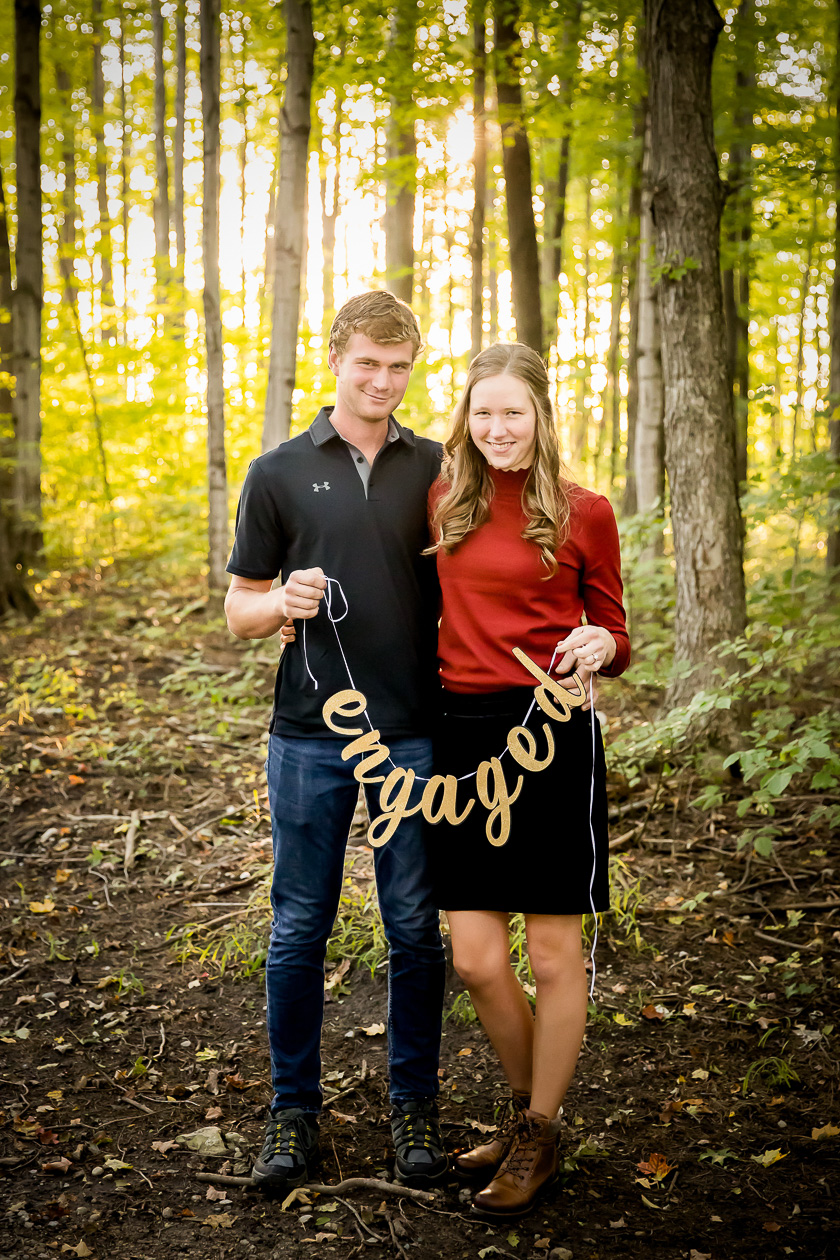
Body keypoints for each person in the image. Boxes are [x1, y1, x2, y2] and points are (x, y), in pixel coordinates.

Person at [224, 291, 448, 1193]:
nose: (383, 381)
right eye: (368, 364)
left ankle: (413, 1106)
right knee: (298, 928)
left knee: (413, 930)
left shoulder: (439, 466)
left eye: (399, 367)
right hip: (309, 737)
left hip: (414, 736)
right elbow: (239, 610)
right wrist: (281, 603)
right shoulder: (276, 472)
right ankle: (292, 1113)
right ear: (335, 360)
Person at [425, 342, 631, 1219]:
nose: (497, 428)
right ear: (464, 420)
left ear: (542, 415)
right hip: (462, 740)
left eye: (513, 412)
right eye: (482, 412)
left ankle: (541, 1131)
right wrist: (296, 618)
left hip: (552, 735)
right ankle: (522, 1113)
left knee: (551, 952)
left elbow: (617, 631)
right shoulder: (441, 500)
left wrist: (599, 645)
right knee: (474, 957)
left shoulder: (586, 512)